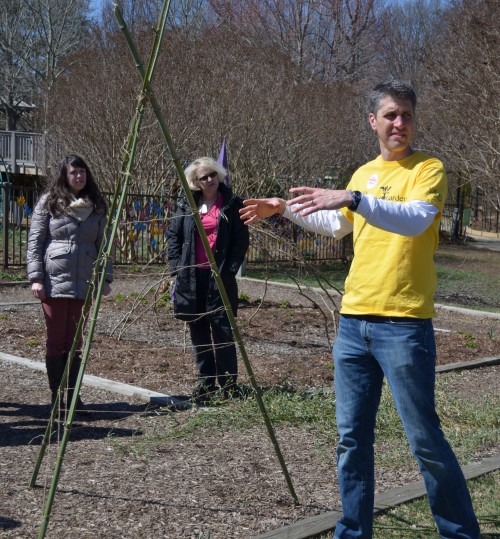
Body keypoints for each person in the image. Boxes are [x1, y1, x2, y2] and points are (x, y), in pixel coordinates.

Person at [240, 80, 480, 538]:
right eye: (390, 115)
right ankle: (353, 531)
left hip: (404, 325)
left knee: (425, 441)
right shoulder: (362, 173)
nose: (400, 123)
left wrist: (354, 199)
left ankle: (460, 532)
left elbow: (413, 220)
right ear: (373, 121)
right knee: (351, 441)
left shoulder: (428, 169)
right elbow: (335, 226)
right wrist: (283, 209)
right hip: (353, 325)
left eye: (407, 115)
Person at [27, 154, 112, 413]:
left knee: (76, 341)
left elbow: (104, 245)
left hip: (83, 281)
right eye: (74, 172)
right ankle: (56, 396)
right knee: (56, 340)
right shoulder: (50, 202)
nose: (79, 176)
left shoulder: (97, 205)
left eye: (83, 172)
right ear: (65, 175)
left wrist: (105, 278)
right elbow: (36, 241)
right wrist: (36, 278)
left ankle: (73, 395)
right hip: (53, 281)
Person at [168, 156, 249, 402]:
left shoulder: (232, 204)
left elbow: (240, 239)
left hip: (220, 276)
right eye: (204, 177)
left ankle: (227, 384)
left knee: (223, 329)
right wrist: (176, 268)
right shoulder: (186, 205)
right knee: (199, 331)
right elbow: (174, 236)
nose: (210, 180)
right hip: (192, 276)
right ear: (196, 182)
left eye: (213, 174)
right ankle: (206, 382)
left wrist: (229, 268)